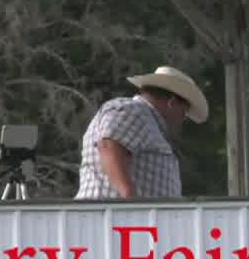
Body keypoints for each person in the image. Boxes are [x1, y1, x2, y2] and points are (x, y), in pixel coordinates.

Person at [75, 65, 208, 200]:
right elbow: (108, 145)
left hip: (129, 218)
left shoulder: (144, 119)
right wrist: (131, 199)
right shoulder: (135, 110)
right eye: (183, 113)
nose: (182, 120)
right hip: (114, 218)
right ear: (172, 103)